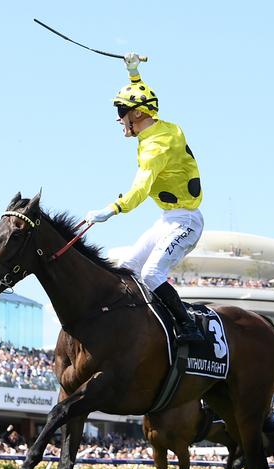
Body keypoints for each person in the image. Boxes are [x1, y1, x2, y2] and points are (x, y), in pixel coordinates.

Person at [85, 53, 204, 344]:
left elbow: (139, 190)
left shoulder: (156, 149)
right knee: (127, 269)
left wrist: (111, 209)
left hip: (186, 222)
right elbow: (143, 99)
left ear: (137, 115)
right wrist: (134, 74)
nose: (119, 119)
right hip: (168, 219)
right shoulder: (162, 127)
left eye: (122, 112)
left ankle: (188, 327)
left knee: (151, 273)